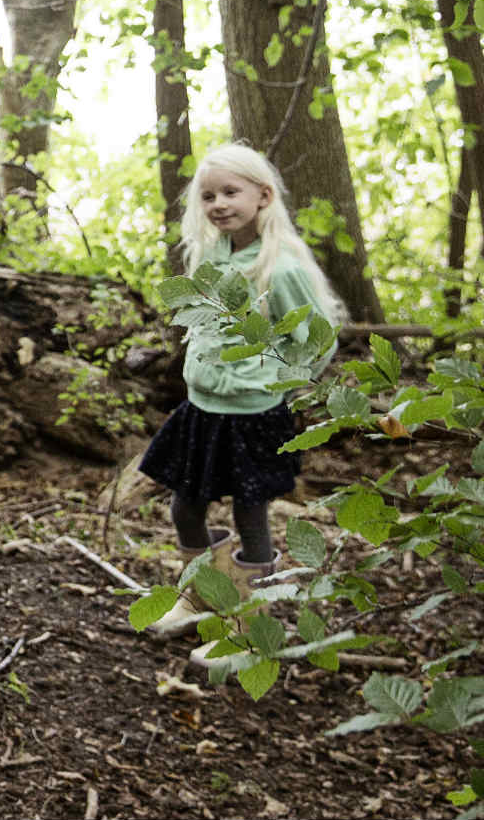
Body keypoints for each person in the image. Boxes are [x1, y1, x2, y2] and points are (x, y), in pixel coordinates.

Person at [138, 143, 344, 638]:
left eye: (231, 192)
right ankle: (203, 598)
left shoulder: (282, 267)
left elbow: (319, 340)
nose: (219, 204)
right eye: (209, 196)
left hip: (253, 414)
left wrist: (275, 383)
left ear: (263, 196)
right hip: (202, 408)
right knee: (184, 508)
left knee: (250, 515)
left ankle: (250, 626)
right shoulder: (210, 256)